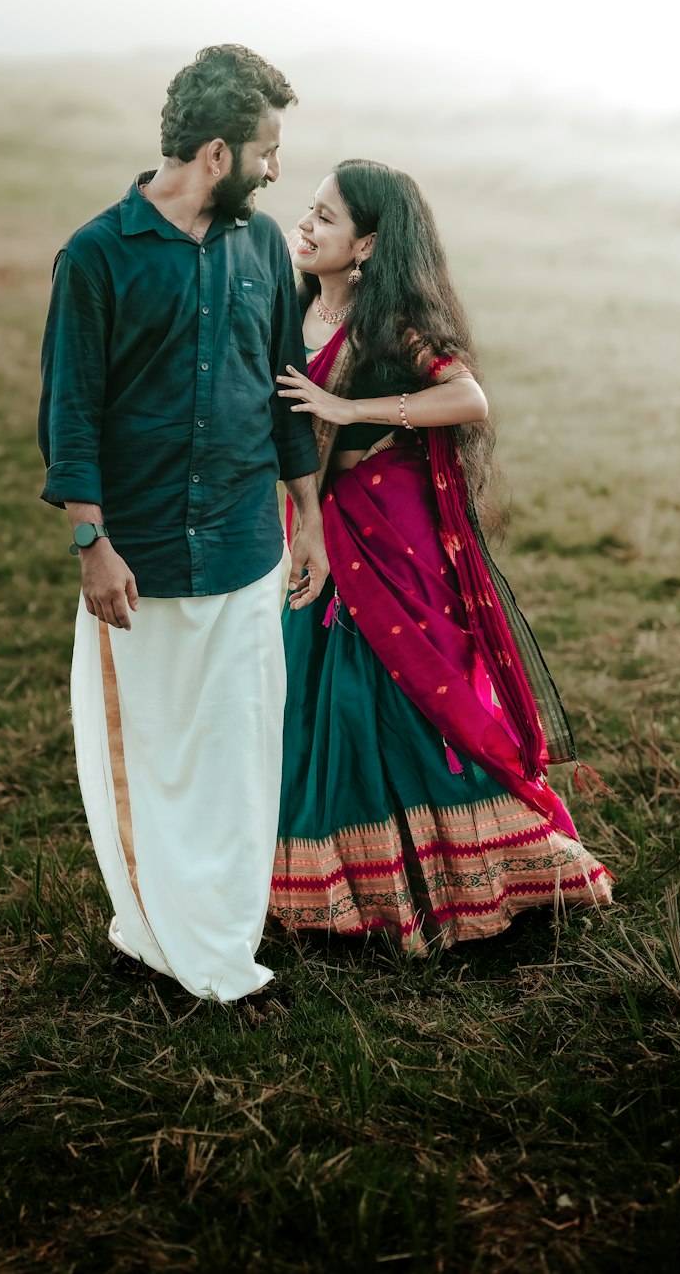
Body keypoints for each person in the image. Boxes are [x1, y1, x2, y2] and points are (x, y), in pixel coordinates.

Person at [38, 45, 328, 1001]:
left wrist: (310, 522)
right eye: (267, 151)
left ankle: (224, 951)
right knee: (153, 758)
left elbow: (285, 398)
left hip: (251, 547)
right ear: (217, 152)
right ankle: (162, 936)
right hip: (141, 561)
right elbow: (70, 412)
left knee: (242, 757)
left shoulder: (260, 249)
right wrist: (93, 543)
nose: (277, 170)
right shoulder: (95, 257)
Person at [269, 159, 613, 946]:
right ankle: (337, 881)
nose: (309, 225)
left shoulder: (386, 326)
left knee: (391, 699)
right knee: (313, 703)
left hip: (386, 532)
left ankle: (470, 875)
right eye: (310, 209)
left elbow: (468, 397)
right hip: (313, 524)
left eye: (328, 217)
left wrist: (346, 405)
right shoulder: (285, 312)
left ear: (367, 246)